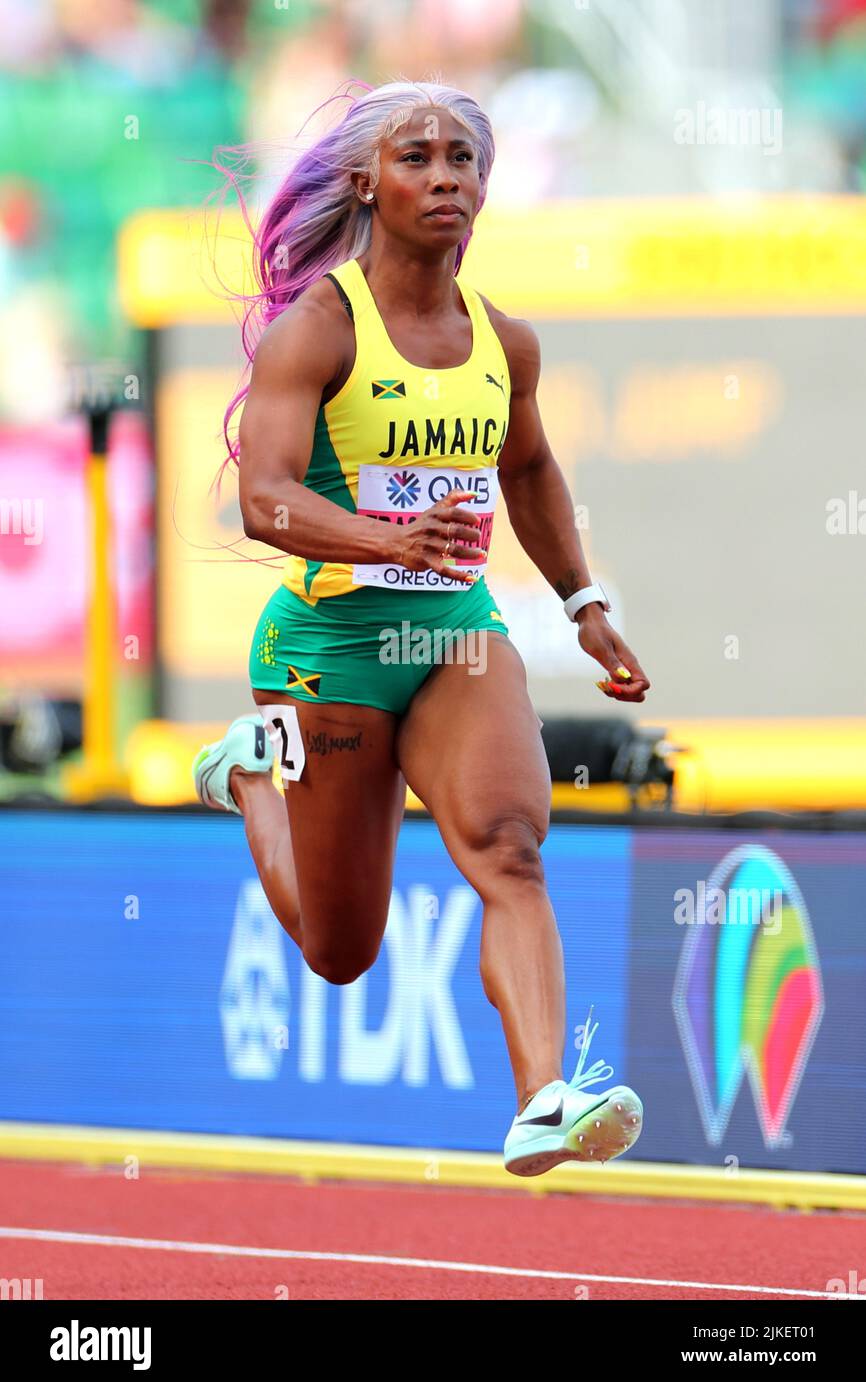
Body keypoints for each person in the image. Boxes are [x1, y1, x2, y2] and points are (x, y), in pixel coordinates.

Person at [194, 80, 650, 1176]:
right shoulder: (316, 330)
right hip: (332, 648)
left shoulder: (504, 342)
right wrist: (391, 541)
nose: (443, 175)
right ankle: (253, 778)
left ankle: (542, 1095)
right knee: (342, 952)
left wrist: (584, 604)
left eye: (461, 159)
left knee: (508, 845)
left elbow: (529, 469)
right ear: (367, 181)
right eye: (415, 157)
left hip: (452, 635)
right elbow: (263, 502)